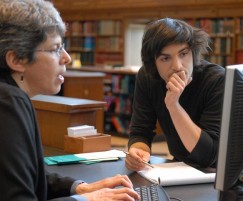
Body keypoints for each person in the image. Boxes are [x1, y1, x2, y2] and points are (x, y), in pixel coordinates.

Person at [0, 0, 139, 200]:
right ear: (17, 60)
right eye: (55, 48)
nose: (66, 58)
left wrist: (78, 188)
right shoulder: (8, 101)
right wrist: (86, 200)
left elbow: (25, 175)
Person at [125, 18, 225, 171]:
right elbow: (141, 131)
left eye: (183, 54)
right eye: (165, 58)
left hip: (217, 172)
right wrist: (138, 151)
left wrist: (173, 105)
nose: (178, 66)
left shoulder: (216, 80)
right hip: (179, 167)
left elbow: (207, 156)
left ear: (193, 52)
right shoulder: (147, 77)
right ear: (153, 63)